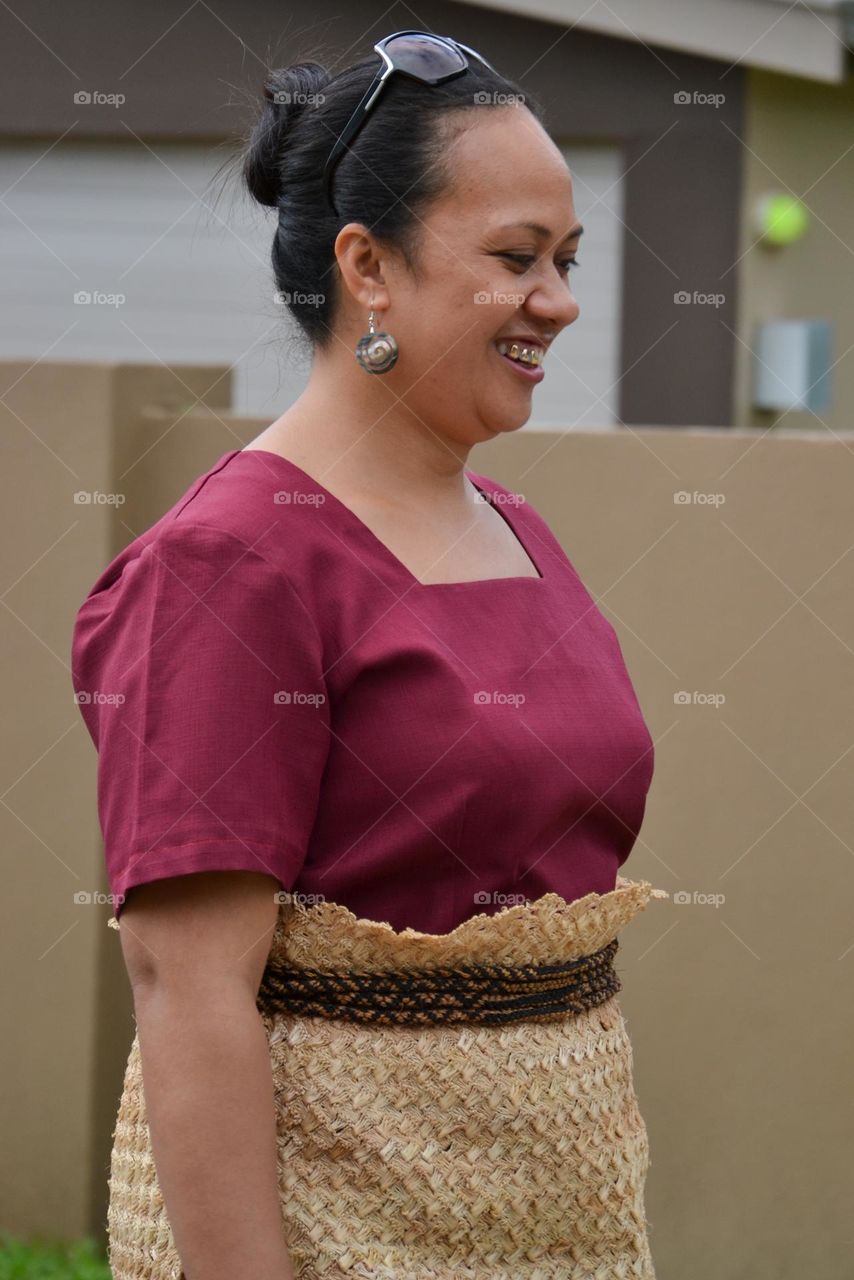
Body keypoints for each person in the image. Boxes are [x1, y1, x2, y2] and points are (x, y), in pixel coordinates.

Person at [71, 30, 668, 1280]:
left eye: (564, 259)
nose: (556, 299)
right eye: (514, 258)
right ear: (367, 266)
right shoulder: (232, 562)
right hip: (345, 1223)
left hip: (554, 1216)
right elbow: (186, 987)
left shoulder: (518, 529)